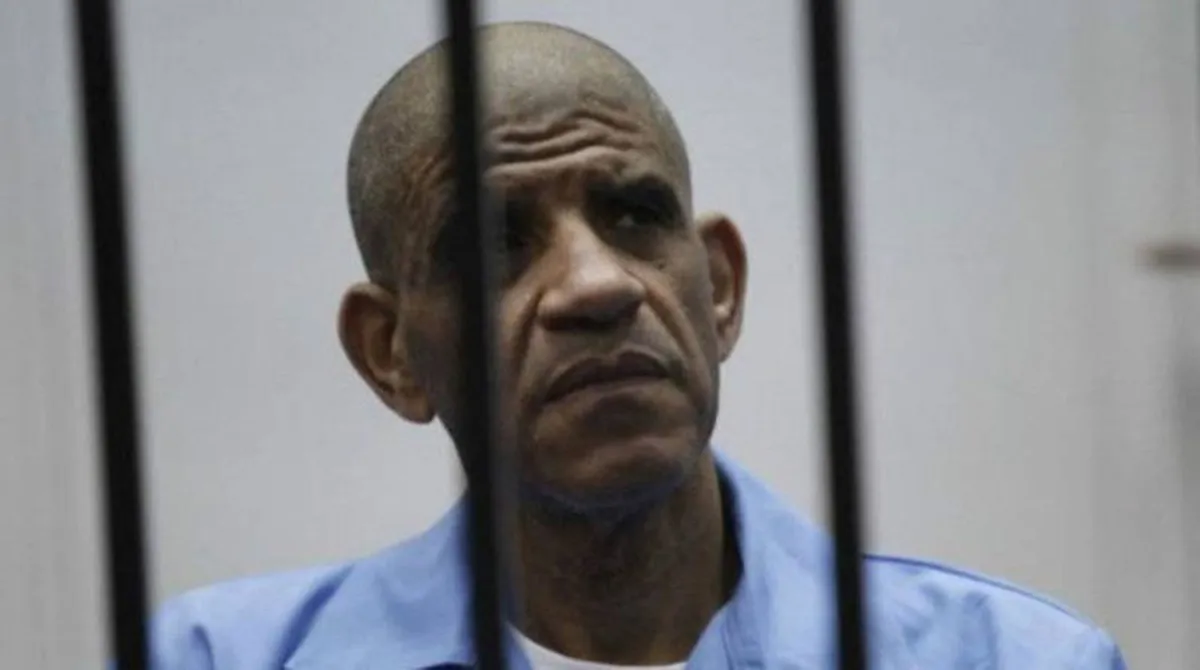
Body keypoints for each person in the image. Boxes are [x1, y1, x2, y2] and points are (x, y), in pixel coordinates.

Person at [149, 21, 1125, 670]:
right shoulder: (211, 660)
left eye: (633, 214)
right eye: (495, 243)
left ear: (720, 287)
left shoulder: (1014, 659)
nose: (597, 284)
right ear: (391, 353)